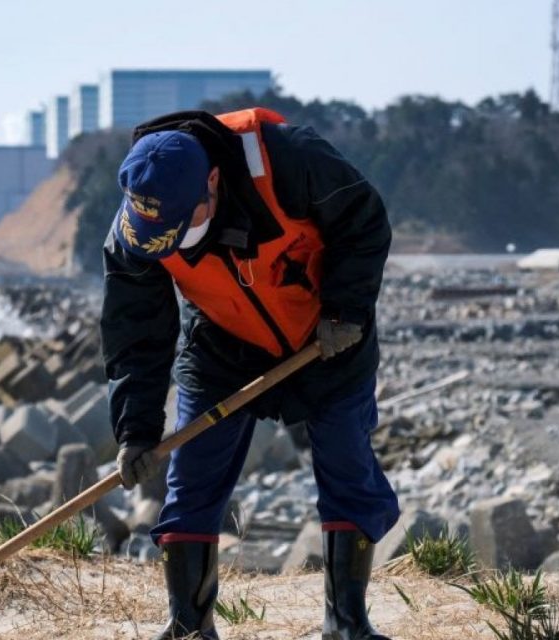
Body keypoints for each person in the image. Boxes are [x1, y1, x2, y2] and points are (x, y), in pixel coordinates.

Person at [102, 107, 398, 640]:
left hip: (326, 337)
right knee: (191, 479)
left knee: (347, 467)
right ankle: (189, 627)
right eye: (155, 234)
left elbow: (365, 219)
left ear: (212, 182)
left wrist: (346, 312)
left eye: (177, 229)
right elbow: (137, 334)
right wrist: (136, 431)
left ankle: (346, 623)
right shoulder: (137, 232)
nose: (165, 244)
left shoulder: (289, 160)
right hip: (222, 344)